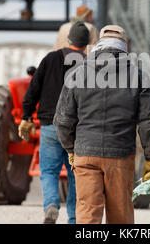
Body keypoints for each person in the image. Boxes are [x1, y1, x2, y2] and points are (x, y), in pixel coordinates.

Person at [53, 25, 150, 224]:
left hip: (85, 155)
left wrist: (71, 148)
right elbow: (149, 122)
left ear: (98, 44)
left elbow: (62, 120)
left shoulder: (77, 73)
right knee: (120, 216)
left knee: (87, 215)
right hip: (120, 155)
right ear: (125, 46)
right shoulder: (139, 76)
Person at [18, 22, 90, 224]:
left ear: (68, 40)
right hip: (78, 131)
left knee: (49, 171)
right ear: (87, 44)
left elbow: (33, 89)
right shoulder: (90, 64)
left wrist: (26, 116)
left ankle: (51, 205)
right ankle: (74, 219)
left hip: (50, 126)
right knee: (77, 174)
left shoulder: (51, 59)